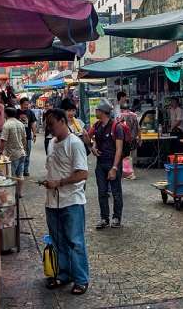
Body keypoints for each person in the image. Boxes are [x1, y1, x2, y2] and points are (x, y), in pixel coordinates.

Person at [42, 108, 90, 295]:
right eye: (47, 125)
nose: (49, 128)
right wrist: (49, 182)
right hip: (52, 202)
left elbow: (83, 173)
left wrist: (59, 182)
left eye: (52, 124)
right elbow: (53, 168)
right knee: (58, 240)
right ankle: (63, 274)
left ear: (63, 121)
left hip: (72, 201)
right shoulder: (52, 143)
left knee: (75, 242)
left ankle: (81, 279)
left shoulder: (75, 143)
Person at [88, 99, 124, 229]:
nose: (95, 111)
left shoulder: (116, 127)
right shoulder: (97, 126)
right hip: (100, 164)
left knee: (116, 192)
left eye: (97, 110)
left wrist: (114, 168)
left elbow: (119, 149)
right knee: (102, 192)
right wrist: (93, 147)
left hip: (113, 163)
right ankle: (104, 218)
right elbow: (96, 140)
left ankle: (116, 218)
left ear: (102, 112)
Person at [0, 107, 27, 192]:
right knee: (20, 175)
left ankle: (13, 194)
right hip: (22, 153)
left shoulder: (7, 125)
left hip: (12, 154)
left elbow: (3, 140)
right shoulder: (20, 124)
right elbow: (24, 139)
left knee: (11, 175)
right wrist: (24, 149)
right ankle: (20, 193)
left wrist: (0, 152)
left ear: (6, 114)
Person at [19, 97, 37, 177]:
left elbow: (33, 124)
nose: (26, 106)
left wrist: (34, 134)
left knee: (27, 154)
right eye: (25, 104)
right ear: (21, 104)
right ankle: (19, 170)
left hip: (28, 137)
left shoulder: (30, 113)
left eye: (27, 104)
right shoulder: (16, 112)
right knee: (19, 154)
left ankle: (25, 170)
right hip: (18, 137)